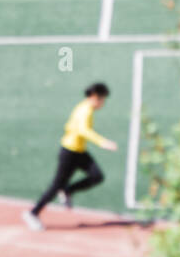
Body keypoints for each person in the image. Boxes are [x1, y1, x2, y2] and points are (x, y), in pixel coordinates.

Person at [24, 82, 119, 231]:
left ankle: (67, 190)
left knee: (97, 176)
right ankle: (32, 213)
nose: (103, 103)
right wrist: (102, 142)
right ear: (95, 97)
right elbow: (83, 130)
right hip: (69, 153)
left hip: (79, 152)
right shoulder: (85, 110)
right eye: (102, 99)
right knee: (56, 185)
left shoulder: (86, 108)